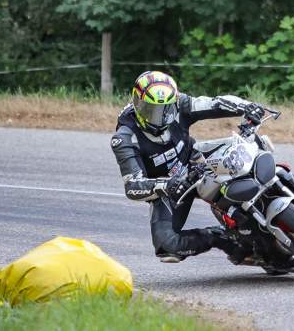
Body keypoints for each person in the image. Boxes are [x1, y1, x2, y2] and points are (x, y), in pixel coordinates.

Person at [110, 71, 266, 263]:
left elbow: (215, 103)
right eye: (151, 110)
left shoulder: (180, 103)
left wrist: (246, 106)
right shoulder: (125, 137)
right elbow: (133, 186)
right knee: (167, 247)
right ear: (137, 103)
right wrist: (167, 185)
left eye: (165, 109)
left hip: (197, 161)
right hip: (170, 187)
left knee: (248, 151)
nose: (159, 117)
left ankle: (277, 192)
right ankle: (223, 238)